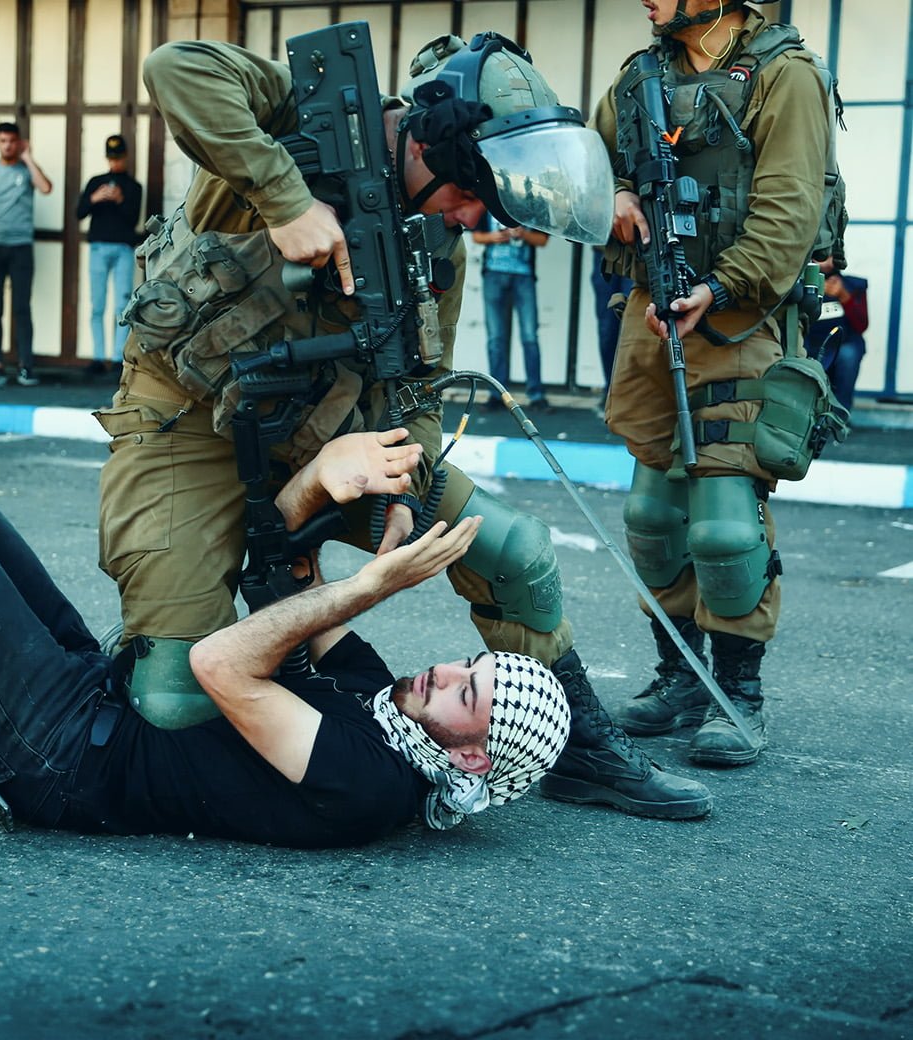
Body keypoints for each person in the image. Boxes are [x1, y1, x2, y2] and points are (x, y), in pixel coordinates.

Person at [94, 32, 713, 820]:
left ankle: (580, 746)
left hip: (334, 437)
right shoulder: (309, 119)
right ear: (429, 149)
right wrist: (286, 201)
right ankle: (186, 648)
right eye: (471, 194)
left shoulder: (439, 240)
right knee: (174, 704)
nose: (476, 216)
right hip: (192, 420)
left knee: (514, 549)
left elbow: (418, 386)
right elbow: (175, 69)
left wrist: (404, 493)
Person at [0, 433, 574, 848]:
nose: (444, 670)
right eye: (467, 662)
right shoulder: (387, 706)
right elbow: (286, 595)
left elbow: (219, 662)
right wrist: (381, 542)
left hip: (54, 762)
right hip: (97, 699)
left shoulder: (369, 780)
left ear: (476, 762)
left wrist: (367, 588)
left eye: (467, 692)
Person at [593, 0, 836, 764]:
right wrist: (614, 196)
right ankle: (680, 677)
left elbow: (788, 209)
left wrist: (723, 288)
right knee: (653, 515)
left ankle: (738, 689)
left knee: (725, 521)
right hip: (653, 310)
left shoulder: (783, 75)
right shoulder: (641, 76)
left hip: (739, 316)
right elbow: (588, 161)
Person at [0, 122, 53, 388]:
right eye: (3, 141)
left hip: (21, 247)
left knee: (21, 307)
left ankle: (25, 365)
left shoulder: (27, 169)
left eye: (12, 141)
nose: (7, 145)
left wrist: (29, 158)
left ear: (19, 142)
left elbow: (45, 188)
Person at [77, 133, 143, 373]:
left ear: (125, 157)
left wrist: (120, 199)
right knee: (97, 303)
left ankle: (117, 357)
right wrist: (95, 198)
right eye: (111, 158)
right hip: (98, 247)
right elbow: (79, 212)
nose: (115, 163)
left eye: (118, 158)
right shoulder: (96, 181)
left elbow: (133, 219)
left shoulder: (134, 187)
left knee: (122, 305)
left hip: (123, 248)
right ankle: (97, 356)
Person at [471, 211, 550, 411]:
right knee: (496, 338)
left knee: (529, 337)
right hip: (494, 275)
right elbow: (476, 235)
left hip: (523, 277)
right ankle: (497, 394)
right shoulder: (488, 204)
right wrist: (494, 237)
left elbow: (542, 239)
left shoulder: (531, 206)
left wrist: (522, 234)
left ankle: (536, 393)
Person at [807, 257, 867, 413]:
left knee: (849, 354)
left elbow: (861, 325)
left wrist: (844, 296)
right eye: (820, 257)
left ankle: (840, 417)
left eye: (830, 257)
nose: (825, 263)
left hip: (842, 345)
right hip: (809, 344)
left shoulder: (852, 285)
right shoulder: (801, 285)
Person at [589, 250, 633, 416]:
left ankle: (629, 394)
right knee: (607, 329)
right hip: (606, 250)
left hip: (638, 252)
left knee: (631, 326)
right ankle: (611, 391)